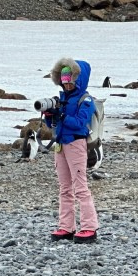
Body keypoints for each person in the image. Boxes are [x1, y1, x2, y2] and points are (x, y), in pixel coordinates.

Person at [42, 59, 99, 243]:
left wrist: (62, 115)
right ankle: (66, 226)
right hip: (60, 144)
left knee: (80, 187)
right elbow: (53, 125)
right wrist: (49, 116)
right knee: (65, 188)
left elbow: (80, 123)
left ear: (78, 79)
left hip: (76, 143)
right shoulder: (62, 99)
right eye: (64, 80)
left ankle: (89, 227)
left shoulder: (86, 100)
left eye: (70, 80)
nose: (66, 84)